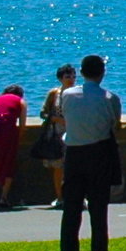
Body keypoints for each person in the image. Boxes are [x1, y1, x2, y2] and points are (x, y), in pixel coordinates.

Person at [57, 55, 121, 251]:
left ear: (82, 72)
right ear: (102, 72)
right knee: (99, 211)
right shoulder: (110, 98)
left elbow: (66, 117)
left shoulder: (67, 95)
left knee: (71, 210)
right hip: (99, 154)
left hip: (74, 154)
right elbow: (115, 125)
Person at [33, 64, 75, 207]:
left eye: (73, 76)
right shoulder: (54, 94)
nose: (71, 79)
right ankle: (60, 197)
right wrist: (56, 119)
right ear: (60, 78)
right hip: (57, 135)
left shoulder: (79, 93)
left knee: (75, 168)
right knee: (58, 168)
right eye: (68, 76)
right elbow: (43, 113)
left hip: (75, 134)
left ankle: (77, 197)